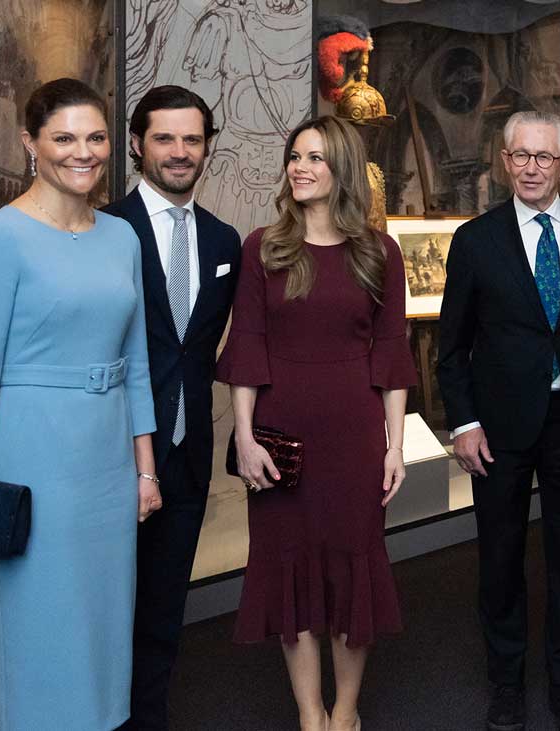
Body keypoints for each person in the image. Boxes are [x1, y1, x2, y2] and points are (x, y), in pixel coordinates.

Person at [0, 78, 157, 730]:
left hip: (107, 465)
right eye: (64, 138)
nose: (81, 152)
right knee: (39, 625)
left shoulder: (122, 237)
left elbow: (137, 361)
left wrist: (144, 469)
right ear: (30, 142)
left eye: (95, 138)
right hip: (32, 457)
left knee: (105, 625)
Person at [436, 110, 560, 731]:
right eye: (520, 155)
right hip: (496, 429)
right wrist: (463, 422)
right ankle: (505, 683)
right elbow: (451, 346)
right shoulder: (476, 239)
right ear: (504, 161)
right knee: (499, 556)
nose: (530, 167)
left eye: (543, 157)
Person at [216, 115, 415, 731]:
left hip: (355, 438)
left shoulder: (379, 252)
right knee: (290, 571)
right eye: (294, 156)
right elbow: (246, 346)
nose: (299, 167)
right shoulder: (262, 247)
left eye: (314, 158)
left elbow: (392, 356)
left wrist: (395, 446)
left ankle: (346, 713)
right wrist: (244, 438)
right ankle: (310, 716)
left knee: (353, 569)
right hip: (282, 440)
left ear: (343, 171)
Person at [104, 85, 241, 731]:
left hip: (187, 460)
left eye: (192, 139)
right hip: (106, 458)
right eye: (164, 138)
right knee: (100, 610)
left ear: (207, 147)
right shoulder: (103, 232)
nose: (180, 152)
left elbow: (210, 348)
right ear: (137, 144)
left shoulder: (223, 242)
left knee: (163, 614)